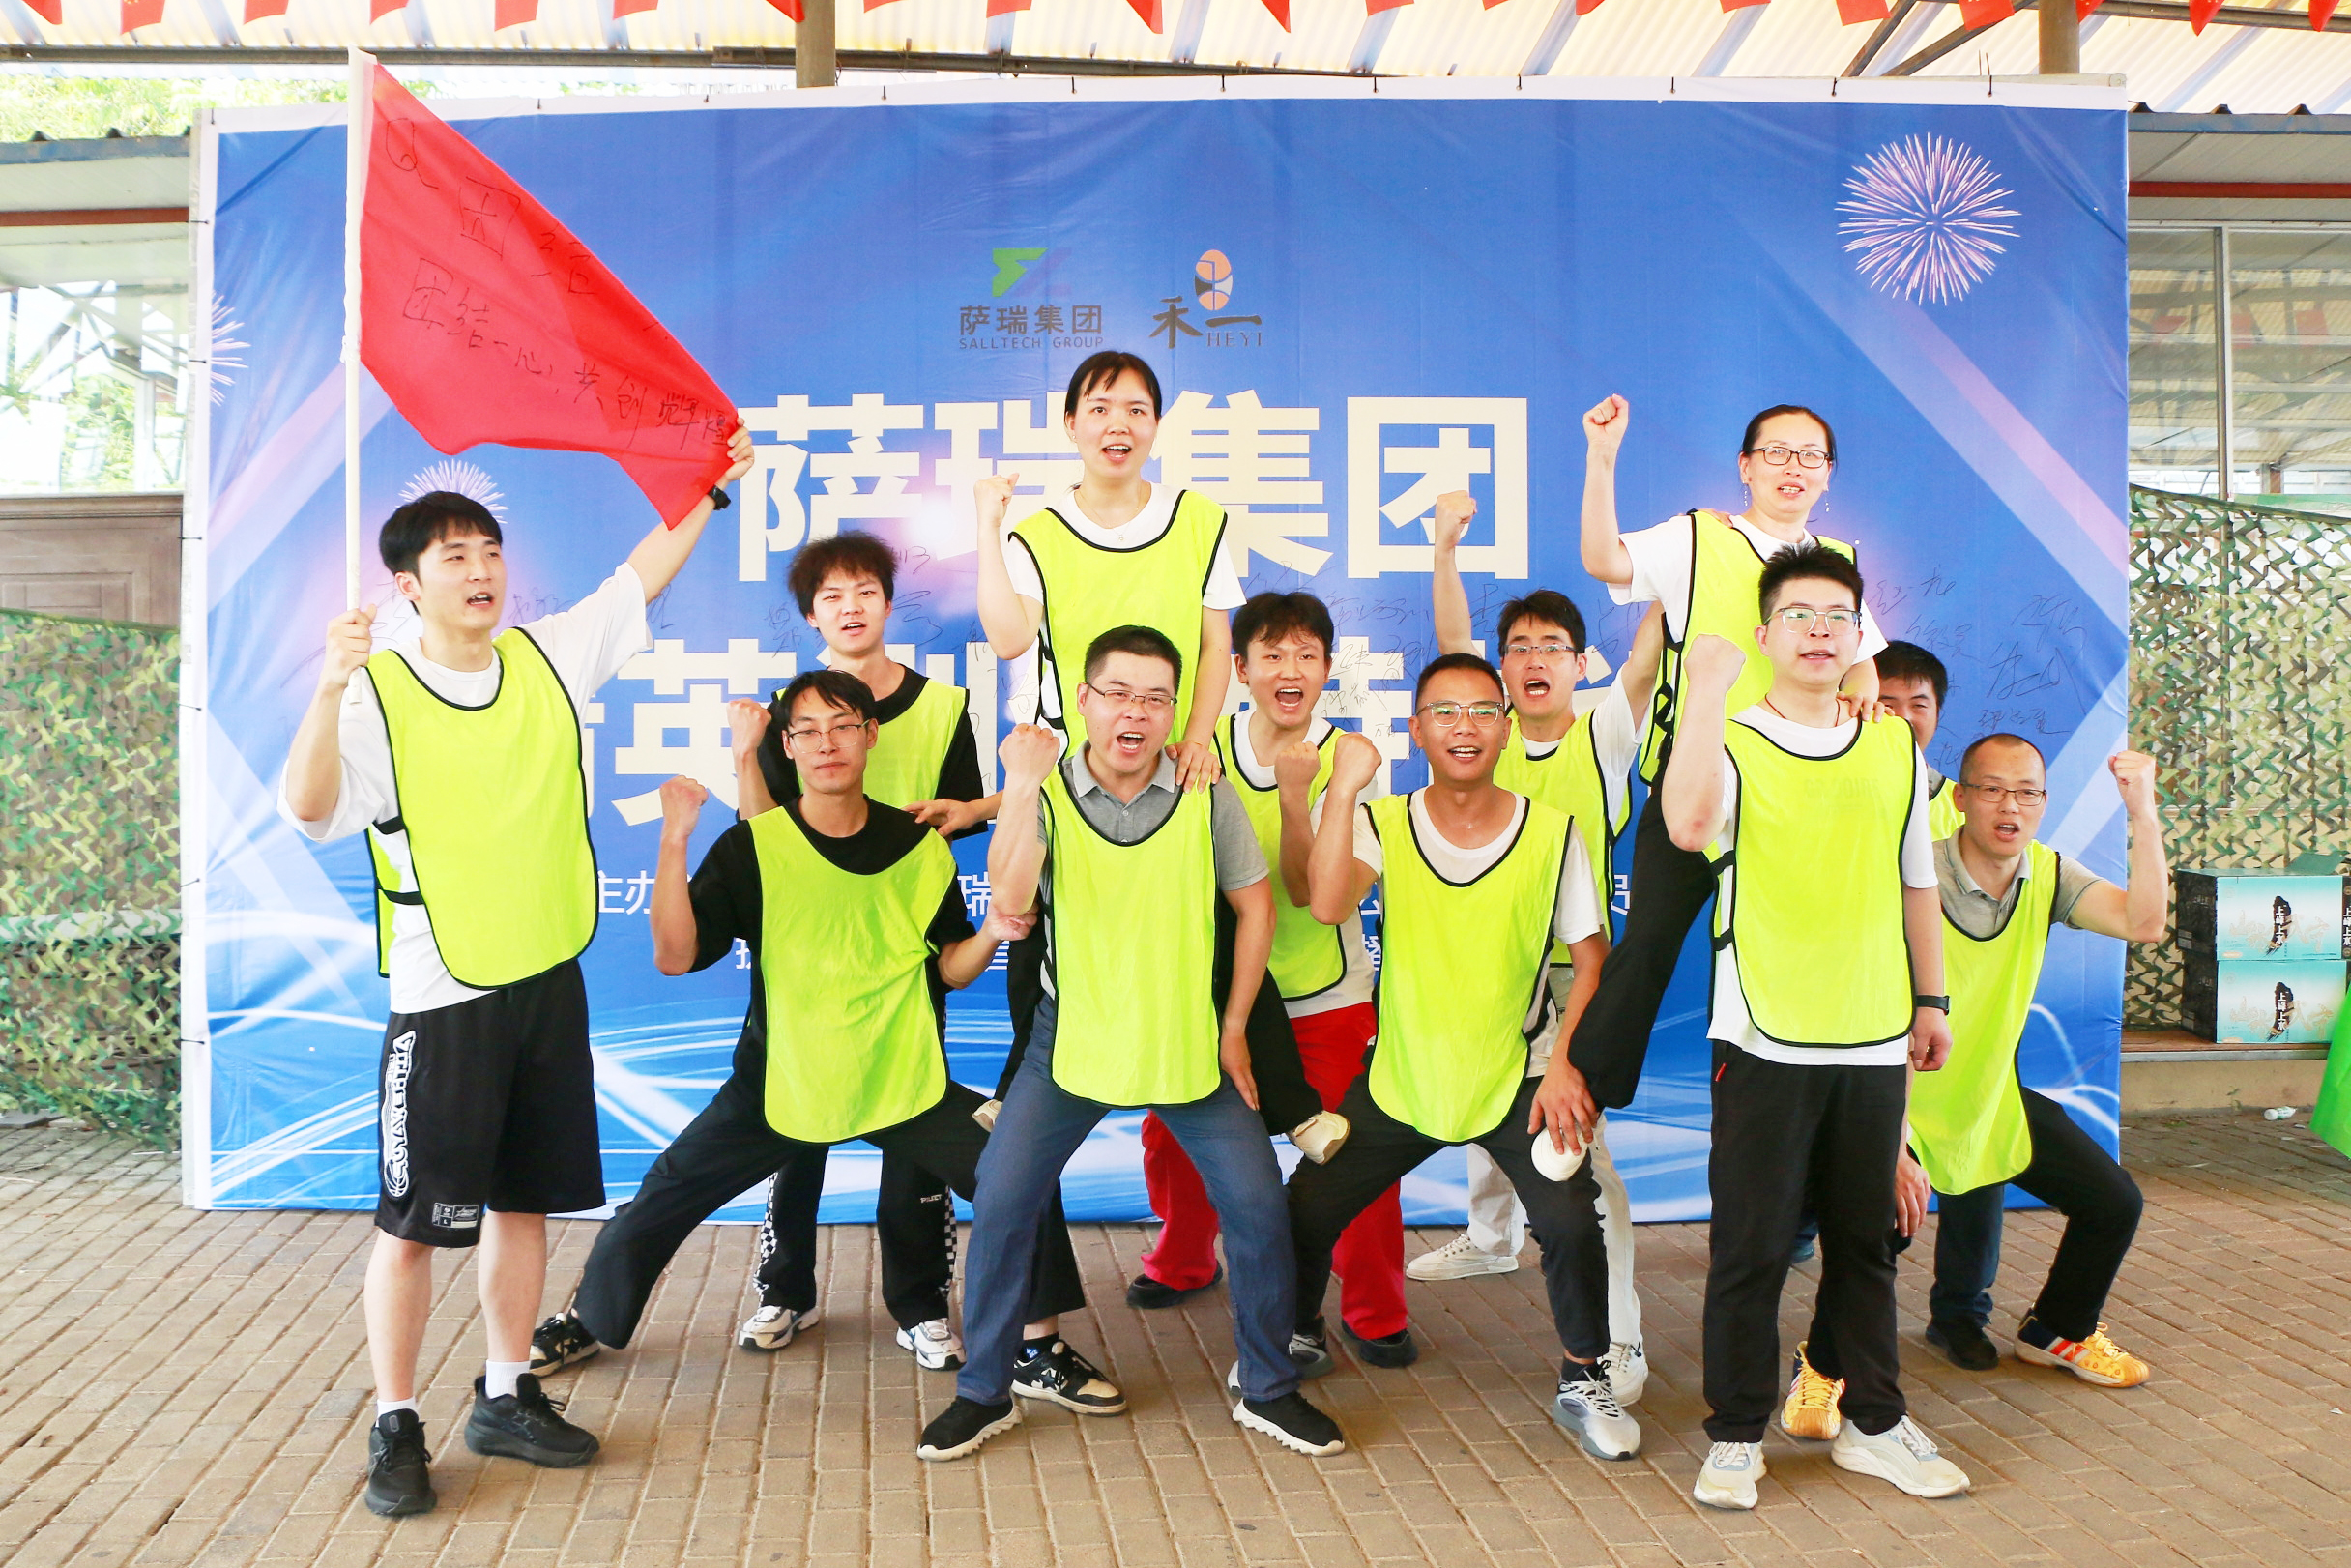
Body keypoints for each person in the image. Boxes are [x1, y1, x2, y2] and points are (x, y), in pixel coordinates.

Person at [278, 426, 755, 1518]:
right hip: (444, 994)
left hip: (545, 975)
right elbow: (307, 808)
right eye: (452, 555)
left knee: (525, 1204)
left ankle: (504, 1391)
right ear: (408, 586)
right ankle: (397, 1419)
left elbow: (639, 576)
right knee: (412, 1229)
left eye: (489, 550)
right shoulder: (375, 692)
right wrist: (329, 684)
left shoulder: (545, 657)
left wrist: (710, 486)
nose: (479, 569)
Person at [526, 672, 1096, 1426]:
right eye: (809, 731)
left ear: (870, 735)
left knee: (1018, 1169)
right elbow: (675, 954)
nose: (827, 743)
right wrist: (674, 839)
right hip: (782, 1079)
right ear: (788, 748)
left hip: (899, 1077)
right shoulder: (754, 847)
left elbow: (951, 970)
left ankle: (1037, 1348)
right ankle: (589, 1318)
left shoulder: (919, 849)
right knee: (667, 1191)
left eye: (843, 725)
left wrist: (991, 933)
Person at [919, 626, 1345, 1463]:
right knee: (1001, 1202)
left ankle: (1268, 1388)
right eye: (1118, 693)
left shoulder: (1203, 791)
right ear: (1084, 700)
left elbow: (1256, 908)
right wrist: (1020, 783)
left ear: (1173, 713)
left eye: (1155, 699)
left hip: (1186, 1038)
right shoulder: (1044, 792)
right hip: (1071, 1040)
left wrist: (1234, 1028)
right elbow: (1011, 896)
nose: (1136, 713)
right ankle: (984, 1393)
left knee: (1258, 1209)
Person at [1640, 542, 1971, 1511]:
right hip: (1763, 1035)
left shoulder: (1892, 748)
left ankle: (1873, 1423)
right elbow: (1687, 826)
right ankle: (1736, 1434)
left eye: (1837, 617)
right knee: (1749, 1248)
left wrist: (1930, 1001)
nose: (1819, 632)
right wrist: (1706, 689)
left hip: (1871, 1034)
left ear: (1857, 636)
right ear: (1763, 634)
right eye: (1798, 615)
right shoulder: (1733, 739)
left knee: (1865, 1244)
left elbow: (1916, 883)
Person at [1288, 654, 1632, 1458]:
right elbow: (1328, 902)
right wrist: (1341, 790)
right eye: (1444, 712)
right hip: (1403, 1076)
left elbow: (1591, 961)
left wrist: (1567, 1067)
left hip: (1516, 1076)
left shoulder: (1553, 832)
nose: (1464, 726)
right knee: (1303, 1206)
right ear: (1417, 730)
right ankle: (1298, 1331)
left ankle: (1585, 1376)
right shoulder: (1386, 821)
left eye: (1482, 711)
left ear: (1506, 730)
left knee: (1570, 1223)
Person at [1404, 489, 1664, 1407]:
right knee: (1488, 1106)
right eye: (1517, 647)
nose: (1533, 659)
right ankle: (1491, 1236)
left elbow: (1649, 653)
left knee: (1580, 1161)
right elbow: (1452, 642)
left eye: (1553, 646)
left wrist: (1687, 567)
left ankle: (1621, 1337)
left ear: (1580, 663)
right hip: (1489, 971)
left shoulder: (1603, 734)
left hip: (1577, 977)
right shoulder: (1484, 734)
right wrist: (1444, 551)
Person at [1567, 397, 1887, 1113]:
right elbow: (1601, 558)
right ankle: (1585, 1094)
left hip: (1789, 798)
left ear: (1828, 474)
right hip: (1694, 783)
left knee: (1770, 953)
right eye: (1776, 452)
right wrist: (1603, 455)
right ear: (1745, 466)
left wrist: (1863, 696)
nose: (1793, 467)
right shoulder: (1696, 538)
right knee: (1648, 943)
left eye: (1811, 455)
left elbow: (1864, 660)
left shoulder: (1837, 562)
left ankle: (1762, 1101)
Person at [972, 350, 1248, 1146]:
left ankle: (1232, 1090)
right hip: (1068, 774)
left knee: (1201, 927)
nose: (1116, 424)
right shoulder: (1037, 533)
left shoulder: (1200, 521)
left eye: (1135, 409)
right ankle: (1026, 1081)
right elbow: (1010, 635)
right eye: (1098, 408)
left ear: (1156, 425)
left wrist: (1197, 739)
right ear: (1071, 425)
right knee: (1040, 929)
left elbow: (1216, 644)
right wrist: (987, 528)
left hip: (1168, 766)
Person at [740, 531, 994, 1372]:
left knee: (916, 1125)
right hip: (804, 952)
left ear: (888, 602)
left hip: (905, 946)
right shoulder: (790, 710)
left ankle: (919, 1304)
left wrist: (950, 824)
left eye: (865, 593)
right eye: (831, 597)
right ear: (810, 615)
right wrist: (744, 755)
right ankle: (784, 1288)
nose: (850, 609)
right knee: (794, 1123)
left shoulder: (944, 705)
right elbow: (760, 836)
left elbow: (964, 812)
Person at [1123, 593, 1398, 1362]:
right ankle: (1183, 1260)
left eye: (1307, 655)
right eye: (1272, 655)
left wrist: (1298, 794)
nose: (1290, 670)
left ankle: (1375, 1308)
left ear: (1328, 669)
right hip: (1211, 992)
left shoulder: (1353, 761)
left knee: (1355, 1154)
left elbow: (1319, 895)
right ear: (1239, 670)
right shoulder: (1197, 751)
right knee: (1171, 1139)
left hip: (1322, 995)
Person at [1901, 739, 2164, 1384]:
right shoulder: (1913, 873)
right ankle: (1834, 1362)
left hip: (1989, 1097)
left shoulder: (2047, 874)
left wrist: (2143, 812)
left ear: (2044, 803)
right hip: (1901, 1103)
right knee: (1872, 1227)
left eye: (2027, 792)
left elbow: (2145, 923)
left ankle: (2057, 1330)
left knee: (2113, 1203)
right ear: (1961, 799)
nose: (2010, 806)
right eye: (1992, 789)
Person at [1876, 640, 1961, 838]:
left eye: (1919, 706)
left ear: (1937, 712)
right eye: (1887, 704)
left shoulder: (1962, 808)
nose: (1904, 718)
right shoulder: (1828, 793)